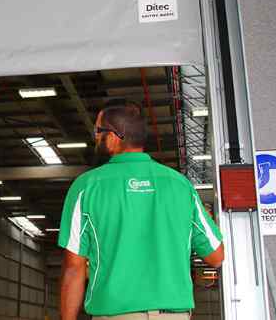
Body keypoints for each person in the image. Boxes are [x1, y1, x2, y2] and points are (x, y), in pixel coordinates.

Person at [58, 99, 224, 320]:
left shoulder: (86, 187)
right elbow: (216, 256)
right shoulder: (181, 185)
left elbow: (74, 267)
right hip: (173, 315)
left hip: (115, 314)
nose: (95, 137)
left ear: (115, 136)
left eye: (99, 131)